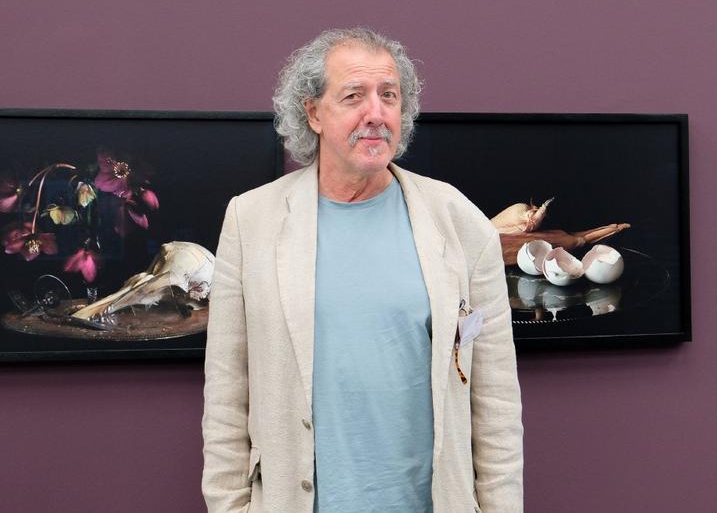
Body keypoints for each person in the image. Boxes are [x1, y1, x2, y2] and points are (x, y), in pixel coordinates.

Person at [201, 28, 523, 512]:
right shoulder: (251, 221)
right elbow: (226, 393)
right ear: (313, 112)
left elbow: (496, 404)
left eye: (388, 96)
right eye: (354, 96)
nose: (376, 113)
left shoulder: (459, 221)